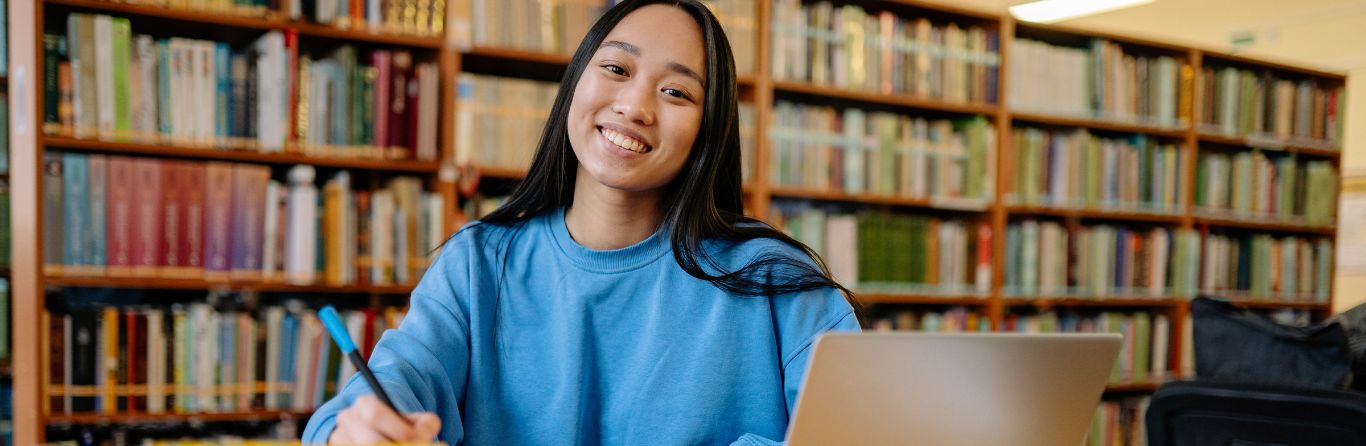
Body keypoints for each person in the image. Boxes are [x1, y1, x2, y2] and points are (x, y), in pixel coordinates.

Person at [301, 1, 860, 444]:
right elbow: (399, 381)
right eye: (616, 68)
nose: (635, 106)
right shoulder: (478, 264)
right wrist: (360, 429)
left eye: (675, 92)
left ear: (708, 130)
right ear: (575, 85)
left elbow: (861, 431)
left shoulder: (777, 281)